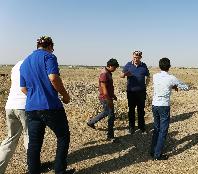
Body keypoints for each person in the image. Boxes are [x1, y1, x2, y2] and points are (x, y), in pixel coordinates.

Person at [20, 36, 74, 174]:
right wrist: (65, 95)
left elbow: (23, 88)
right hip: (50, 106)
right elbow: (53, 78)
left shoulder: (25, 62)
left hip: (31, 108)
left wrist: (34, 97)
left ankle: (33, 171)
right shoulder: (49, 57)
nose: (53, 50)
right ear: (49, 46)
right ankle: (59, 171)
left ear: (37, 45)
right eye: (53, 47)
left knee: (34, 143)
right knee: (63, 136)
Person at [150, 58, 189, 160]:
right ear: (169, 66)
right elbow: (185, 87)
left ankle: (152, 150)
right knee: (163, 130)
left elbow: (162, 85)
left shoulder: (155, 76)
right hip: (164, 105)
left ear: (159, 66)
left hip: (154, 104)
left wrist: (171, 86)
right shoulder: (171, 78)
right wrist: (175, 85)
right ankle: (157, 155)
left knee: (156, 128)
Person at [0, 60, 28, 174]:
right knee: (29, 136)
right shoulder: (33, 63)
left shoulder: (16, 65)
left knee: (10, 138)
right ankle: (33, 166)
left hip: (10, 105)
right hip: (24, 106)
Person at [87, 58, 119, 141]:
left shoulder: (108, 72)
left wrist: (113, 95)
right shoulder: (104, 74)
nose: (115, 69)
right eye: (114, 67)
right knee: (111, 116)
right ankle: (110, 136)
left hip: (108, 97)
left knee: (106, 112)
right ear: (110, 66)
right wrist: (109, 101)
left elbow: (109, 87)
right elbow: (104, 89)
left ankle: (91, 122)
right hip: (105, 98)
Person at [120, 51, 150, 134]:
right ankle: (131, 127)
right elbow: (121, 75)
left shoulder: (144, 65)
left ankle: (141, 127)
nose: (136, 59)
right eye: (134, 57)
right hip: (131, 92)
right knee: (131, 110)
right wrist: (125, 74)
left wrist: (145, 85)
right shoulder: (128, 65)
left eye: (137, 57)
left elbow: (148, 77)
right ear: (132, 57)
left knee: (141, 110)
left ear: (140, 57)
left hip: (141, 92)